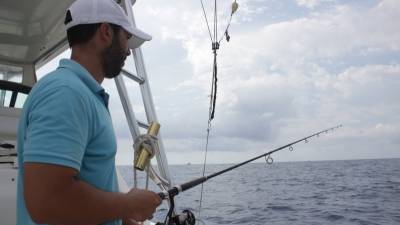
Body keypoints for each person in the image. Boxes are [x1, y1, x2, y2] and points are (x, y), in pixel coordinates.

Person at [16, 0, 161, 224]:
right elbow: (46, 201)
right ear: (105, 32)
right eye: (126, 38)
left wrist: (120, 218)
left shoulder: (81, 93)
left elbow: (89, 180)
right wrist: (128, 204)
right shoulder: (66, 93)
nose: (128, 52)